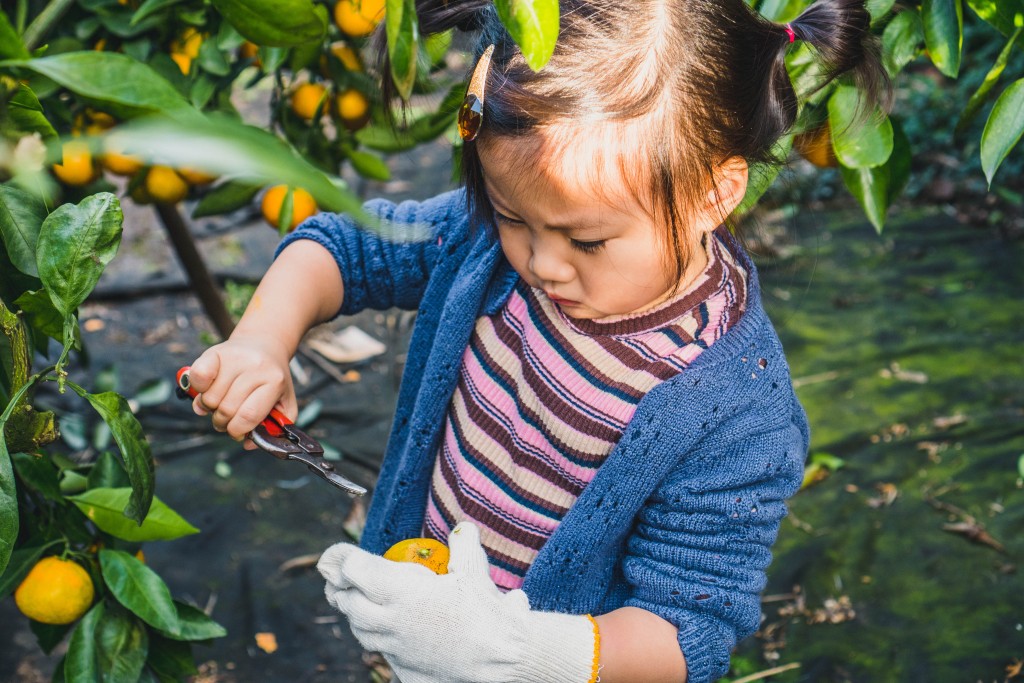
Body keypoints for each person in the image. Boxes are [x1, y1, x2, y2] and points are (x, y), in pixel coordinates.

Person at [185, 0, 890, 680]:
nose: (542, 262)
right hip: (425, 630)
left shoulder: (734, 414)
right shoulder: (486, 244)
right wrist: (261, 341)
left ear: (714, 193)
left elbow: (687, 631)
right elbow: (343, 246)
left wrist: (516, 653)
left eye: (587, 239)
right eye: (512, 215)